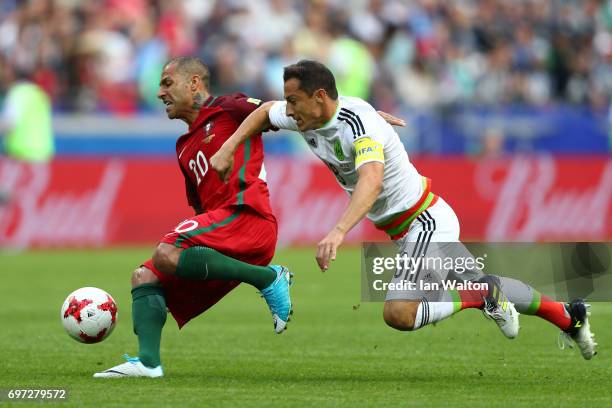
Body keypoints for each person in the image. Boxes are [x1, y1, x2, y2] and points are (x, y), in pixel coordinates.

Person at [211, 59, 597, 360]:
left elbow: (372, 180)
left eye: (294, 100)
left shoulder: (357, 124)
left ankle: (480, 298)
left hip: (424, 221)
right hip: (412, 226)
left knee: (399, 313)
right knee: (483, 280)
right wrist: (229, 147)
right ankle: (568, 316)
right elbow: (263, 113)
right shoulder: (305, 115)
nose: (288, 109)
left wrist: (338, 230)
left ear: (320, 97)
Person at [93, 57, 293, 378]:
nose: (159, 93)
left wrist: (347, 116)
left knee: (168, 250)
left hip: (248, 217)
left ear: (194, 83)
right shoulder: (184, 147)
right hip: (225, 234)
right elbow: (202, 211)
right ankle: (148, 363)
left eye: (167, 83)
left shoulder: (230, 107)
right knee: (145, 276)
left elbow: (283, 110)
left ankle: (268, 278)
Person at [0, 65, 54, 204]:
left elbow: (9, 122)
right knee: (31, 205)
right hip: (42, 157)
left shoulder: (18, 93)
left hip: (21, 158)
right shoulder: (39, 94)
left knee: (10, 205)